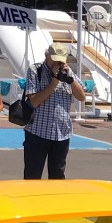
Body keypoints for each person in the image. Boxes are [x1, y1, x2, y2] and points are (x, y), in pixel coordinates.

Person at [22, 43, 86, 180]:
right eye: (55, 59)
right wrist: (53, 83)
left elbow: (81, 97)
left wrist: (70, 80)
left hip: (61, 134)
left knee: (57, 177)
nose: (57, 63)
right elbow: (33, 101)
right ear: (46, 56)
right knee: (32, 176)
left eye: (61, 60)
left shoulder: (67, 72)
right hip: (37, 132)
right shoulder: (35, 70)